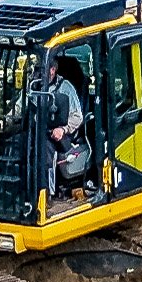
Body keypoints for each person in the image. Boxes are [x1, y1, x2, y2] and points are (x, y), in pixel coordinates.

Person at [43, 59, 95, 196]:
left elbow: (78, 117)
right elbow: (20, 105)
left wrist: (63, 129)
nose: (38, 72)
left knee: (45, 150)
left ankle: (46, 193)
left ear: (53, 70)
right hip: (38, 130)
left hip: (61, 134)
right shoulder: (35, 85)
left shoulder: (65, 88)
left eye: (42, 68)